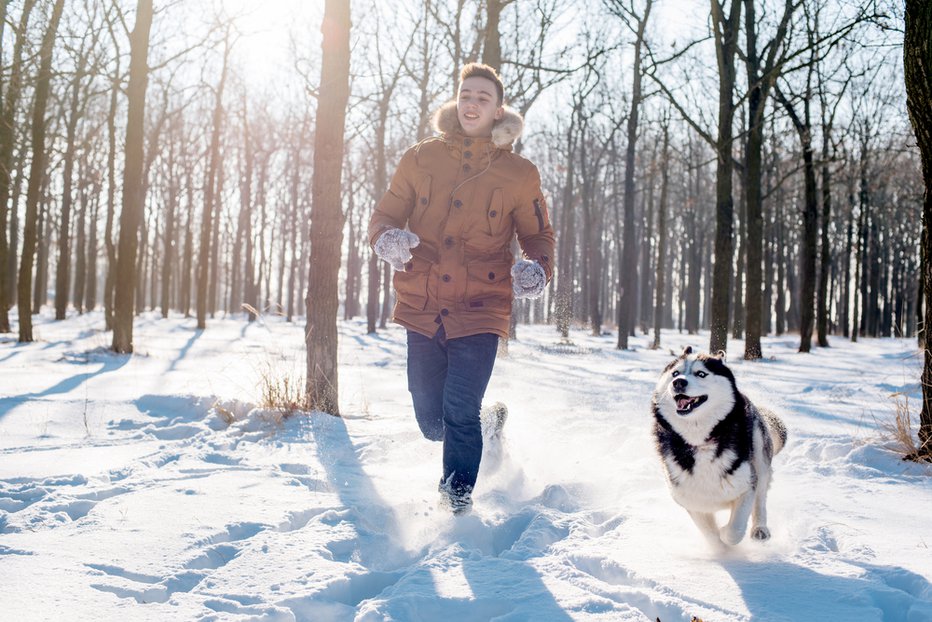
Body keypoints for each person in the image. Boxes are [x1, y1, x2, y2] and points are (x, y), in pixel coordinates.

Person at [368, 63, 556, 515]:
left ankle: (455, 503)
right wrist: (387, 239)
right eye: (466, 95)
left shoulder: (519, 173)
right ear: (457, 101)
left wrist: (537, 268)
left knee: (459, 407)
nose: (472, 103)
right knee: (432, 422)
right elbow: (385, 215)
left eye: (483, 98)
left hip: (482, 304)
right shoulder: (421, 157)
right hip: (422, 301)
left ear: (497, 111)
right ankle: (490, 425)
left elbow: (539, 236)